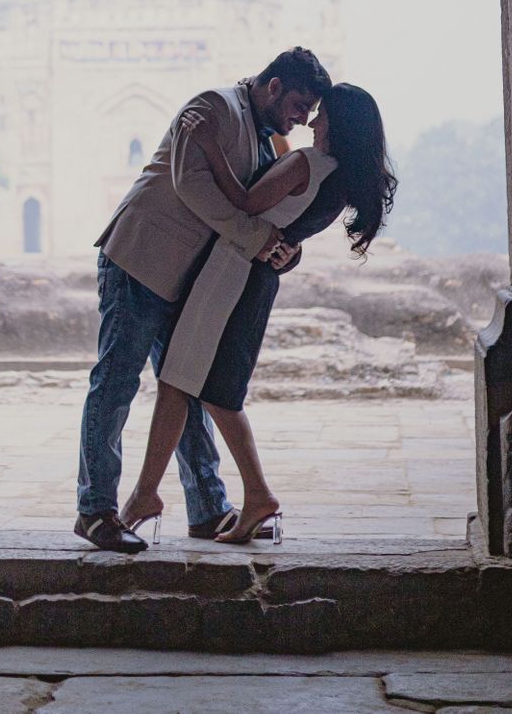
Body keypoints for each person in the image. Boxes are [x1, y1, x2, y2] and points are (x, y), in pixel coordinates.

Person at [74, 47, 332, 553]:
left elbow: (271, 210)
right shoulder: (214, 107)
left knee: (184, 384)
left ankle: (207, 508)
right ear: (274, 86)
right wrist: (254, 237)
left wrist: (284, 251)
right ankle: (95, 510)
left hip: (188, 276)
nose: (302, 120)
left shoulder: (265, 135)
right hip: (141, 258)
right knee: (116, 381)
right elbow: (190, 184)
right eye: (299, 106)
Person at [121, 82, 397, 545]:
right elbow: (288, 215)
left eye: (320, 113)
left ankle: (165, 495)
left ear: (338, 123)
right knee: (197, 386)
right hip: (251, 276)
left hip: (229, 273)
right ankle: (212, 494)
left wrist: (209, 145)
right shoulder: (338, 176)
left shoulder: (307, 163)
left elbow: (245, 202)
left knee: (186, 382)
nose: (312, 121)